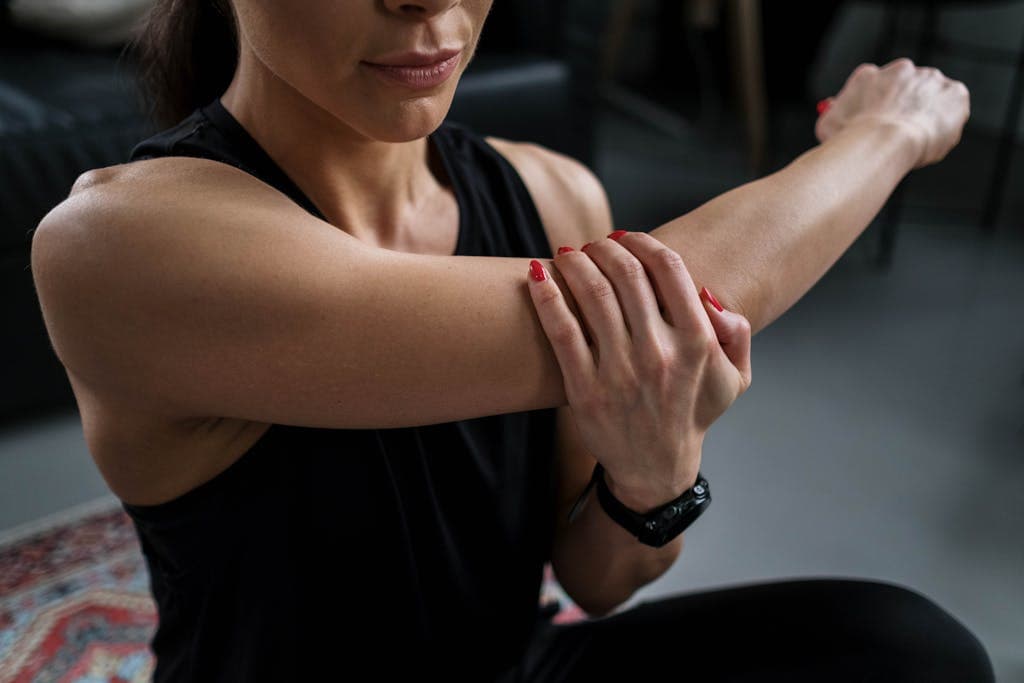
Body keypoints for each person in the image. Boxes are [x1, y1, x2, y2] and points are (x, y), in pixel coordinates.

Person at [28, 0, 990, 681]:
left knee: (909, 648)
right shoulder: (121, 246)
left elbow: (596, 578)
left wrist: (651, 478)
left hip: (519, 665)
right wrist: (886, 133)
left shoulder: (554, 196)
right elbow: (670, 295)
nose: (429, 1)